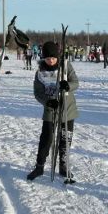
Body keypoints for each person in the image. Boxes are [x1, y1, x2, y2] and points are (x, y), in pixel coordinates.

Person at [27, 41, 79, 181]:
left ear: (58, 57)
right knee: (47, 138)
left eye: (54, 58)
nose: (51, 61)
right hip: (51, 108)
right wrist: (47, 101)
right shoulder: (40, 73)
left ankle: (64, 166)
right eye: (48, 58)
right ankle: (39, 166)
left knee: (65, 138)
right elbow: (38, 93)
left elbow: (76, 82)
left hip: (67, 108)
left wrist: (67, 85)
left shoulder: (66, 66)